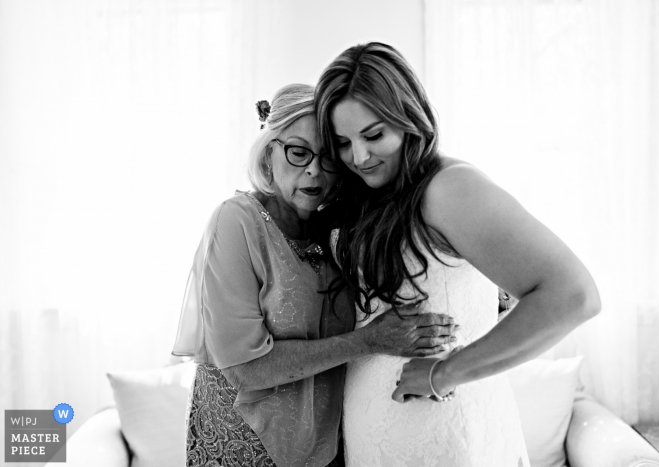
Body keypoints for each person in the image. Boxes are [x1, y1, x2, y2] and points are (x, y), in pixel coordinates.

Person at [315, 42, 602, 467]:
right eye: (343, 142)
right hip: (375, 442)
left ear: (409, 118)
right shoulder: (372, 196)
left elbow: (574, 295)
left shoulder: (449, 188)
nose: (358, 157)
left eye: (374, 135)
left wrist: (444, 372)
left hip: (446, 439)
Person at [171, 83, 458, 467]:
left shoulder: (338, 230)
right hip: (243, 446)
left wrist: (469, 281)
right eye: (298, 152)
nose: (313, 170)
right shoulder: (237, 221)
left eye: (328, 158)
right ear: (268, 150)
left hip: (330, 447)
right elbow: (247, 368)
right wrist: (370, 340)